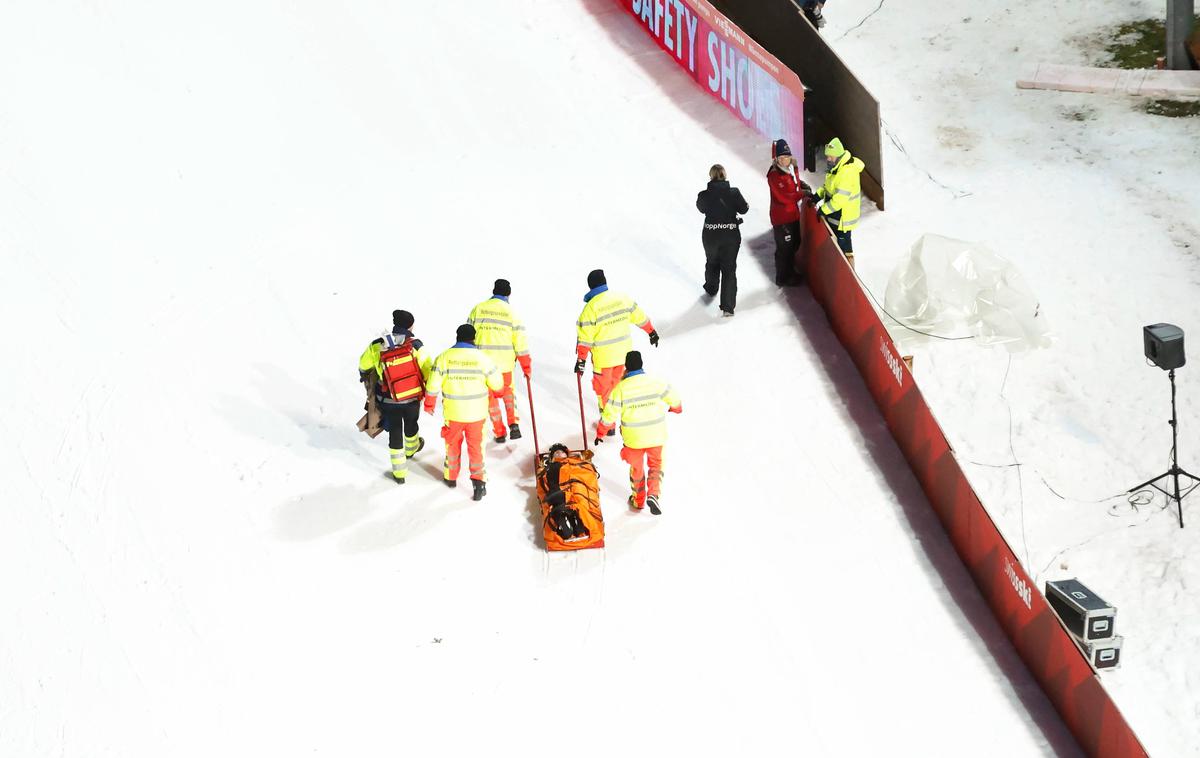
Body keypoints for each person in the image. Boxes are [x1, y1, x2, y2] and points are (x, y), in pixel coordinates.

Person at [423, 324, 504, 501]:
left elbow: (432, 385)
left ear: (457, 337)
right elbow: (498, 385)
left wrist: (429, 405)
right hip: (477, 415)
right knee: (477, 449)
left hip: (453, 414)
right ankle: (478, 484)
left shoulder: (444, 358)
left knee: (452, 445)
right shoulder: (483, 358)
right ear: (473, 338)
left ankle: (451, 477)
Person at [574, 269, 659, 436]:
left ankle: (609, 425)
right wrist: (651, 332)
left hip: (603, 360)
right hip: (624, 358)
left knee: (604, 391)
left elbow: (585, 339)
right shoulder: (622, 299)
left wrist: (581, 360)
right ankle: (628, 423)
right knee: (622, 390)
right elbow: (640, 317)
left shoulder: (590, 309)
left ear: (590, 286)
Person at [595, 351, 681, 515]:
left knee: (636, 469)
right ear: (641, 364)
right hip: (656, 436)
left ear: (626, 367)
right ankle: (654, 494)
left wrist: (600, 432)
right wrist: (676, 408)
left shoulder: (620, 388)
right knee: (655, 466)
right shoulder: (655, 382)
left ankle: (639, 500)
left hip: (633, 439)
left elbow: (609, 415)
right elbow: (675, 399)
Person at [358, 310, 430, 484]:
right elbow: (428, 369)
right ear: (411, 326)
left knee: (395, 432)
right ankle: (411, 449)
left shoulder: (377, 345)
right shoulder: (416, 345)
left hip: (388, 399)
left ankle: (399, 474)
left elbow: (363, 365)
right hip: (412, 398)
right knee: (411, 425)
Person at [467, 278, 532, 444]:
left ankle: (499, 432)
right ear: (508, 294)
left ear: (493, 291)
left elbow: (468, 336)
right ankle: (514, 423)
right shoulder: (512, 313)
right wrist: (526, 366)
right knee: (508, 394)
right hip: (505, 365)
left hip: (484, 366)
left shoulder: (478, 309)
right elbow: (521, 342)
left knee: (491, 400)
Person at [696, 164, 749, 317]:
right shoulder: (734, 193)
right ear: (724, 175)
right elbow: (744, 209)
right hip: (730, 235)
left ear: (710, 176)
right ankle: (727, 307)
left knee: (712, 261)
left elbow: (701, 208)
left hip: (710, 235)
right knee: (729, 269)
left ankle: (711, 288)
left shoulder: (704, 195)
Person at [767, 138, 812, 286]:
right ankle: (782, 277)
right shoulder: (774, 175)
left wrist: (802, 186)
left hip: (793, 215)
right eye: (781, 158)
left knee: (794, 244)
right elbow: (784, 197)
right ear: (777, 159)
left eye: (787, 157)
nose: (785, 160)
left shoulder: (792, 168)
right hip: (782, 219)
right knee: (784, 249)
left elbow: (795, 184)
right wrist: (803, 194)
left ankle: (790, 272)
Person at [814, 137, 865, 256]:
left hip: (843, 219)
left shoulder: (847, 172)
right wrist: (818, 195)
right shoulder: (837, 167)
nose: (828, 159)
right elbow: (829, 186)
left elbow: (840, 200)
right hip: (835, 216)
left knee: (843, 252)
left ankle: (848, 273)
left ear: (839, 156)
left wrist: (823, 210)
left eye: (831, 157)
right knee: (835, 249)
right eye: (828, 156)